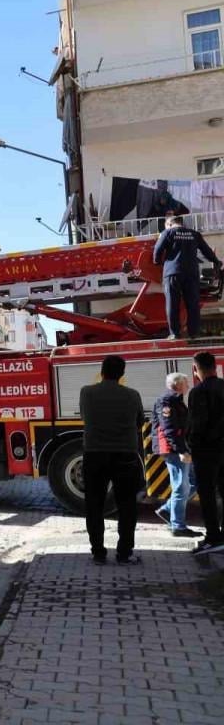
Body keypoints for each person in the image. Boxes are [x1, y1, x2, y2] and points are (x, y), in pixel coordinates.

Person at [79, 355, 145, 565]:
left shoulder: (86, 392)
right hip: (125, 455)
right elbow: (139, 421)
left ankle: (98, 553)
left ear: (102, 371)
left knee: (94, 504)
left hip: (94, 454)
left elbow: (84, 417)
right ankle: (124, 553)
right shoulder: (132, 395)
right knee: (127, 505)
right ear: (122, 374)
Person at [153, 214, 220, 338]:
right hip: (192, 273)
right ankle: (193, 333)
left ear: (169, 224)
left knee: (172, 303)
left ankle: (175, 333)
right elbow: (207, 251)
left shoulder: (167, 233)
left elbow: (158, 249)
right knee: (193, 304)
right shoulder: (194, 234)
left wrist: (156, 261)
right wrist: (216, 261)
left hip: (172, 272)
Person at [152, 372, 201, 538]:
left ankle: (167, 510)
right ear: (178, 385)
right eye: (186, 383)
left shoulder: (176, 400)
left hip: (181, 448)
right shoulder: (167, 401)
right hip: (174, 450)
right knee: (181, 486)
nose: (188, 386)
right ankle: (178, 526)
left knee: (194, 481)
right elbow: (169, 429)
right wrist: (181, 451)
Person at [187, 351, 224, 554]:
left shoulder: (199, 391)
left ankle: (213, 537)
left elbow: (198, 424)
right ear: (215, 366)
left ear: (196, 368)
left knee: (207, 494)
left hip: (207, 451)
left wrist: (192, 444)